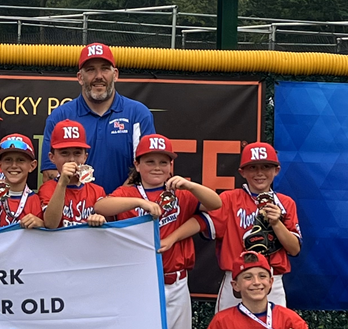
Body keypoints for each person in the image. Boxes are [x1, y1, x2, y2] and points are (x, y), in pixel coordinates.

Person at [95, 134, 223, 329]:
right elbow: (101, 207)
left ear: (171, 166)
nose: (157, 167)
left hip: (176, 281)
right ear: (137, 165)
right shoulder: (127, 193)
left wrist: (190, 185)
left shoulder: (180, 192)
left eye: (164, 162)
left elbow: (216, 204)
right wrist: (140, 202)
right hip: (138, 281)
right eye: (150, 161)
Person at [40, 43, 155, 193]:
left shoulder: (138, 114)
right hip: (76, 213)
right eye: (91, 70)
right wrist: (87, 203)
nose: (99, 76)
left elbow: (148, 168)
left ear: (115, 74)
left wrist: (111, 204)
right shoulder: (60, 116)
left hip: (127, 211)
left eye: (105, 69)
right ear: (80, 77)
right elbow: (51, 174)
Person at [206, 142, 302, 310]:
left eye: (266, 167)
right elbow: (202, 224)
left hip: (272, 278)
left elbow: (294, 249)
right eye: (253, 168)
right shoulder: (229, 199)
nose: (259, 173)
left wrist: (276, 223)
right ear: (242, 172)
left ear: (276, 170)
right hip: (236, 279)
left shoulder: (286, 203)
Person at [206, 252, 309, 329]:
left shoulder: (290, 320)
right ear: (235, 285)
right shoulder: (222, 321)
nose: (256, 282)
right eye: (248, 277)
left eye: (262, 276)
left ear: (270, 282)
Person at [40, 119, 108, 229]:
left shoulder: (97, 191)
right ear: (52, 157)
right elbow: (51, 224)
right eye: (64, 153)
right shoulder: (48, 188)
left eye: (77, 153)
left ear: (85, 157)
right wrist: (62, 183)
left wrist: (100, 219)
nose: (71, 159)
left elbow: (109, 227)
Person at [0, 134, 45, 233]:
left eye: (20, 160)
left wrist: (41, 225)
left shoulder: (36, 201)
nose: (14, 165)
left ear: (32, 166)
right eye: (8, 160)